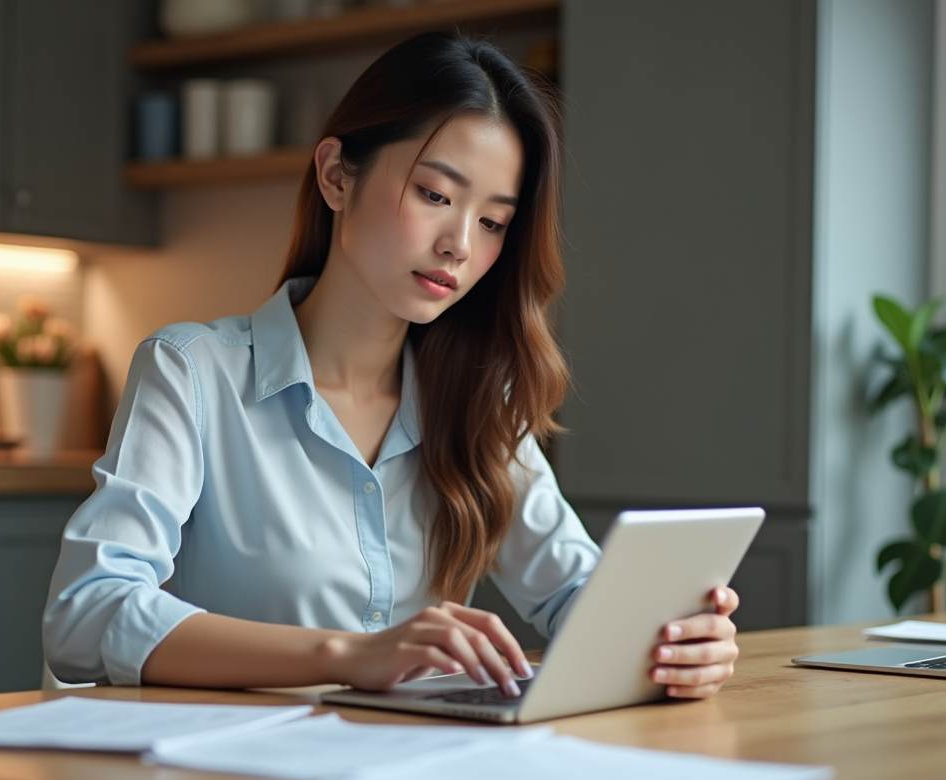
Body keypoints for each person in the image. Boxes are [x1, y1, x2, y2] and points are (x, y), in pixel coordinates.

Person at [43, 31, 739, 701]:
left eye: (493, 221)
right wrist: (348, 656)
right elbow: (87, 612)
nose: (459, 245)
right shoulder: (193, 374)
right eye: (435, 195)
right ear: (336, 176)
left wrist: (674, 643)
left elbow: (574, 592)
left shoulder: (476, 400)